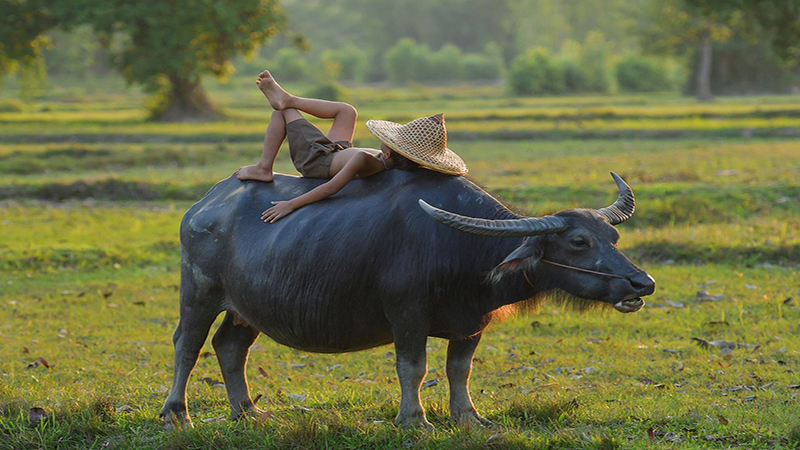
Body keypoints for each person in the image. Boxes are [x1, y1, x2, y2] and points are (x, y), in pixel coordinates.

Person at [237, 70, 468, 223]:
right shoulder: (397, 163)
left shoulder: (365, 160)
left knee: (282, 113)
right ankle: (289, 98)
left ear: (387, 151)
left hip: (318, 159)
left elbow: (330, 188)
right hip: (337, 150)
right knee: (347, 111)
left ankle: (264, 167)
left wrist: (291, 204)